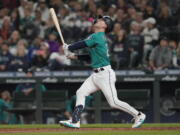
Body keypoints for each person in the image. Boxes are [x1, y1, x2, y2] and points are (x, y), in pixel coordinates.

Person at [59, 15, 146, 128]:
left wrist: (69, 47)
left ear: (105, 26)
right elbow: (90, 57)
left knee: (113, 102)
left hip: (105, 74)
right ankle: (75, 121)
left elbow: (82, 44)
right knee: (80, 93)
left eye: (102, 20)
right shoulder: (95, 37)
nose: (99, 20)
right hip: (96, 74)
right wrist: (73, 56)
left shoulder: (99, 36)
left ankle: (139, 115)